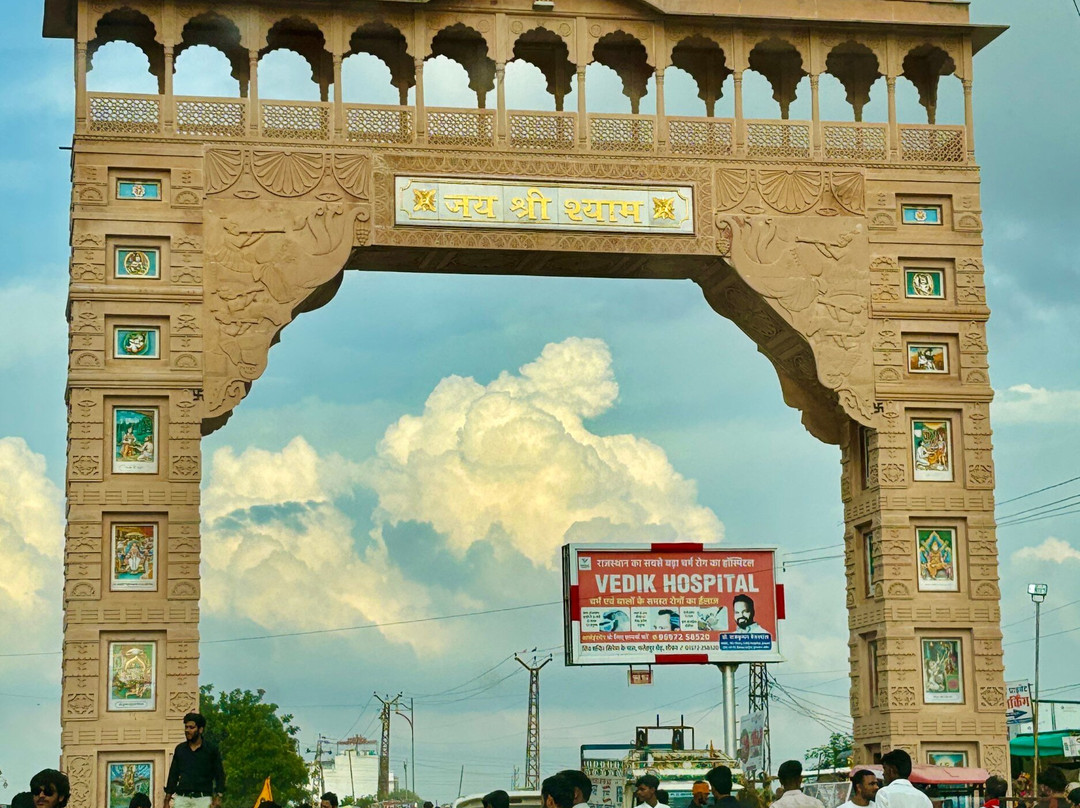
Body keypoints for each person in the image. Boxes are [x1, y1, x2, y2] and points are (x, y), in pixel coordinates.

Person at [164, 712, 226, 808]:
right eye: (186, 727)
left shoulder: (211, 750)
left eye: (191, 727)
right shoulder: (180, 749)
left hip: (203, 799)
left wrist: (218, 797)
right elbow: (173, 775)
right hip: (182, 799)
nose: (187, 730)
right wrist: (167, 800)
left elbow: (219, 775)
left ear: (200, 729)